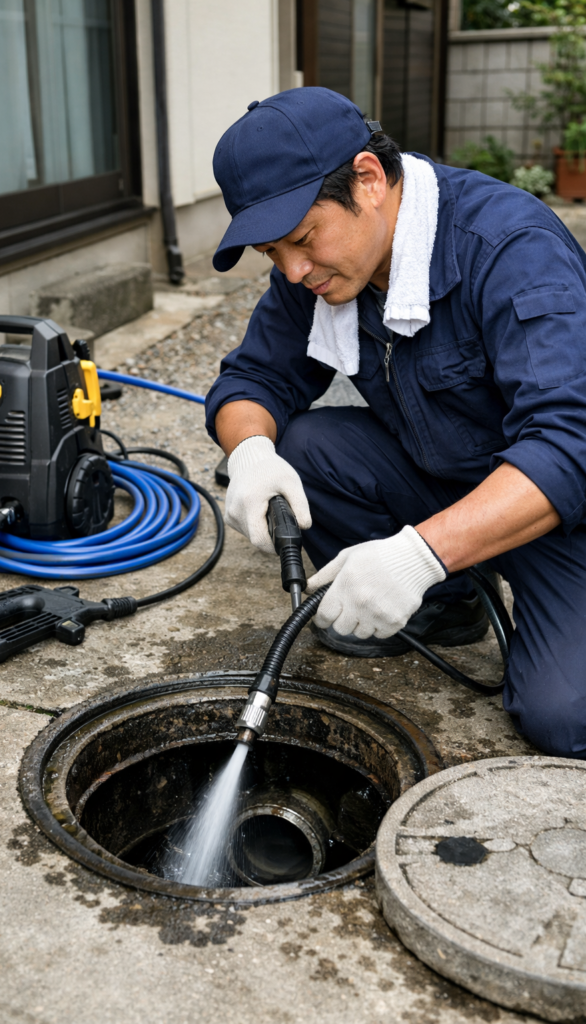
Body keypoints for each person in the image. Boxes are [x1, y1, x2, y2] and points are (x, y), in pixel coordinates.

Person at [204, 87, 586, 759]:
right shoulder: (326, 266)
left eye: (300, 240)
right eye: (271, 254)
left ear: (369, 179)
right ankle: (451, 602)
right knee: (303, 446)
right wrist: (251, 451)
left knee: (564, 715)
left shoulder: (507, 248)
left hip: (558, 514)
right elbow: (252, 380)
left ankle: (448, 573)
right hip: (447, 479)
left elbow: (568, 446)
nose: (292, 271)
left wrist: (418, 553)